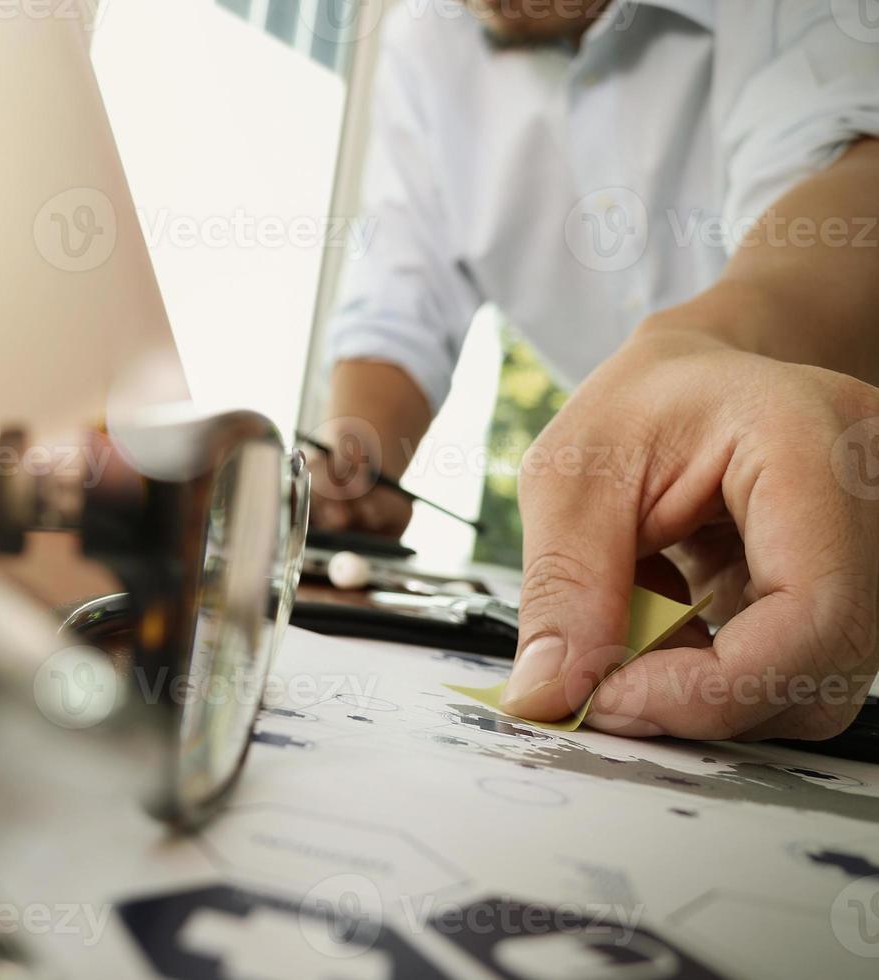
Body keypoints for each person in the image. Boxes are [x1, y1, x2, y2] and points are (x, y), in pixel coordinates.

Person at [312, 0, 879, 741]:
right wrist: (358, 460)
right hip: (701, 598)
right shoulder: (425, 33)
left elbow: (846, 188)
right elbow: (398, 297)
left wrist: (701, 350)